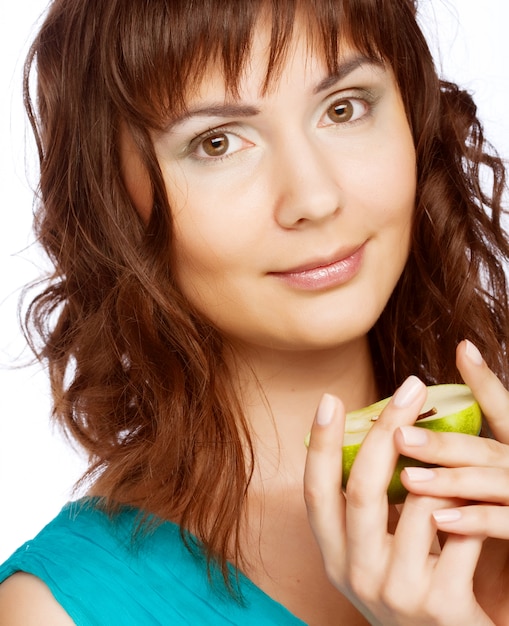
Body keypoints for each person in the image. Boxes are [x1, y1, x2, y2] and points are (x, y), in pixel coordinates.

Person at [1, 0, 509, 623]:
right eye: (217, 143)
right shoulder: (58, 611)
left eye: (344, 106)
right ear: (112, 205)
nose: (315, 198)